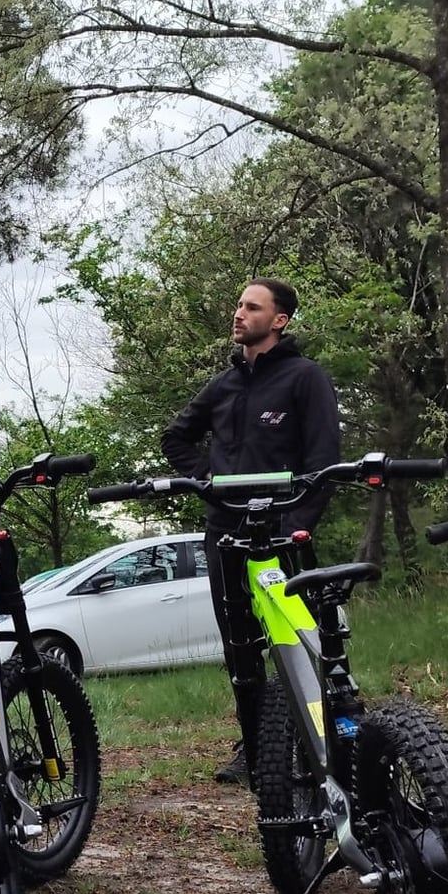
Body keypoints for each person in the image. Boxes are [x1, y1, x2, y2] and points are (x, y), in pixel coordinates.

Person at [161, 278, 342, 788]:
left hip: (282, 535)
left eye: (251, 307)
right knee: (239, 646)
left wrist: (298, 526)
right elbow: (175, 436)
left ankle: (322, 737)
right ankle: (257, 746)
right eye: (239, 304)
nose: (238, 314)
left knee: (300, 640)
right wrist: (207, 482)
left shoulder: (305, 378)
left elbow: (324, 461)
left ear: (279, 320)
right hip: (225, 535)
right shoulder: (224, 383)